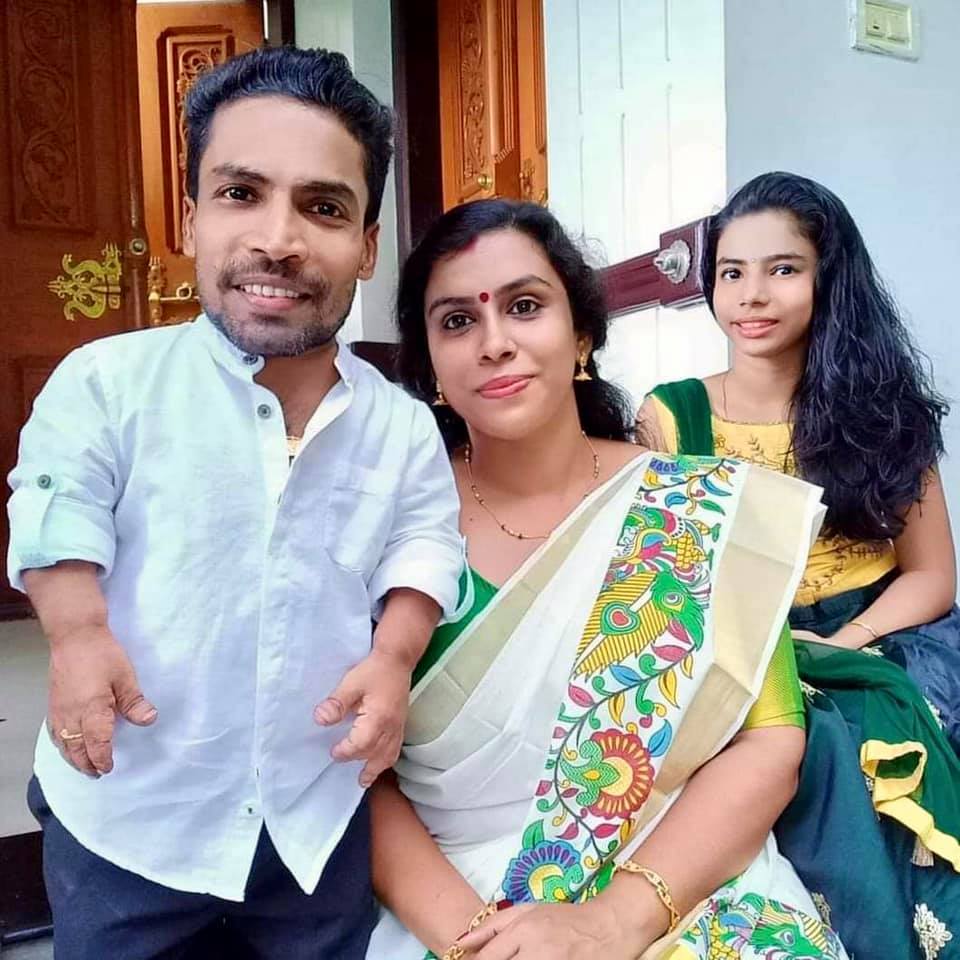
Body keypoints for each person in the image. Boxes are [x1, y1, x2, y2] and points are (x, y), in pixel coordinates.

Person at [6, 47, 462, 959]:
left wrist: (394, 658)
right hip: (132, 814)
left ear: (369, 245)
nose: (278, 239)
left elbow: (424, 546)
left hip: (312, 814)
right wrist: (78, 636)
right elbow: (57, 508)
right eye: (241, 193)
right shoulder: (107, 382)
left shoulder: (402, 424)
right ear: (192, 218)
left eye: (324, 208)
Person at [365, 198, 847, 960]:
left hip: (685, 884)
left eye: (526, 307)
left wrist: (615, 921)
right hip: (458, 904)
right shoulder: (385, 530)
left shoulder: (694, 505)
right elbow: (356, 775)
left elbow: (769, 739)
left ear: (582, 334)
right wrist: (479, 944)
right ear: (428, 366)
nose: (495, 342)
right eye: (457, 321)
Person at [641, 171, 960, 957]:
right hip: (745, 651)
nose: (751, 295)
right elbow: (671, 588)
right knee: (808, 738)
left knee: (886, 717)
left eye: (782, 269)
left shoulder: (884, 408)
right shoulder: (672, 415)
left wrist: (846, 646)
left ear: (829, 278)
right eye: (731, 272)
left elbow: (931, 576)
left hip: (884, 633)